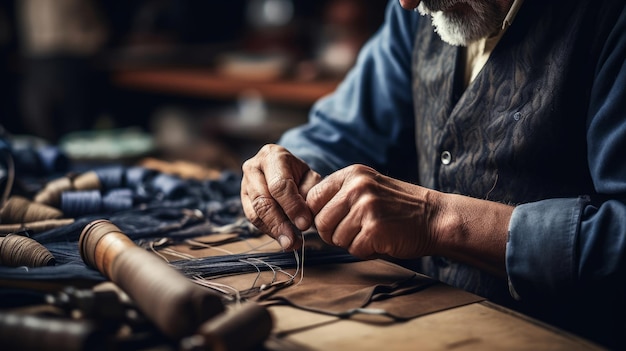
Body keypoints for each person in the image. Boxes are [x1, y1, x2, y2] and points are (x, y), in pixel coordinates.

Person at [241, 0, 626, 348]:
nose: (408, 3)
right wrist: (288, 166)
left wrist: (438, 220)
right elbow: (343, 131)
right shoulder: (419, 9)